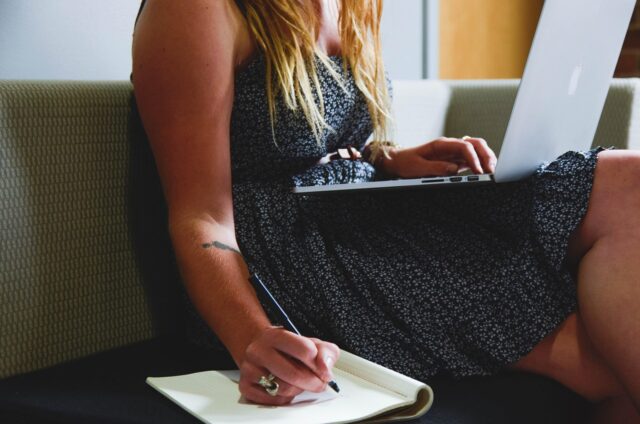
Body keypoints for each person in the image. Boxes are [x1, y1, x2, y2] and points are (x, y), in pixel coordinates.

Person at [131, 0, 640, 420]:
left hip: (356, 215)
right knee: (603, 357)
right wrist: (253, 338)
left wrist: (391, 161)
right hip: (285, 258)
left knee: (628, 179)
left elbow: (316, 138)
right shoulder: (194, 9)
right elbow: (200, 216)